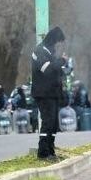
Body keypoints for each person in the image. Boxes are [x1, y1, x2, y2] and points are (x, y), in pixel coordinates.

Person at [31, 26, 68, 161]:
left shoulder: (50, 52)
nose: (59, 46)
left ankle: (51, 151)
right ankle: (43, 152)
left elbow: (56, 71)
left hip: (52, 93)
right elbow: (46, 69)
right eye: (58, 42)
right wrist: (61, 61)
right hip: (43, 93)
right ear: (53, 40)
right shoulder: (39, 51)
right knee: (47, 121)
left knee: (53, 123)